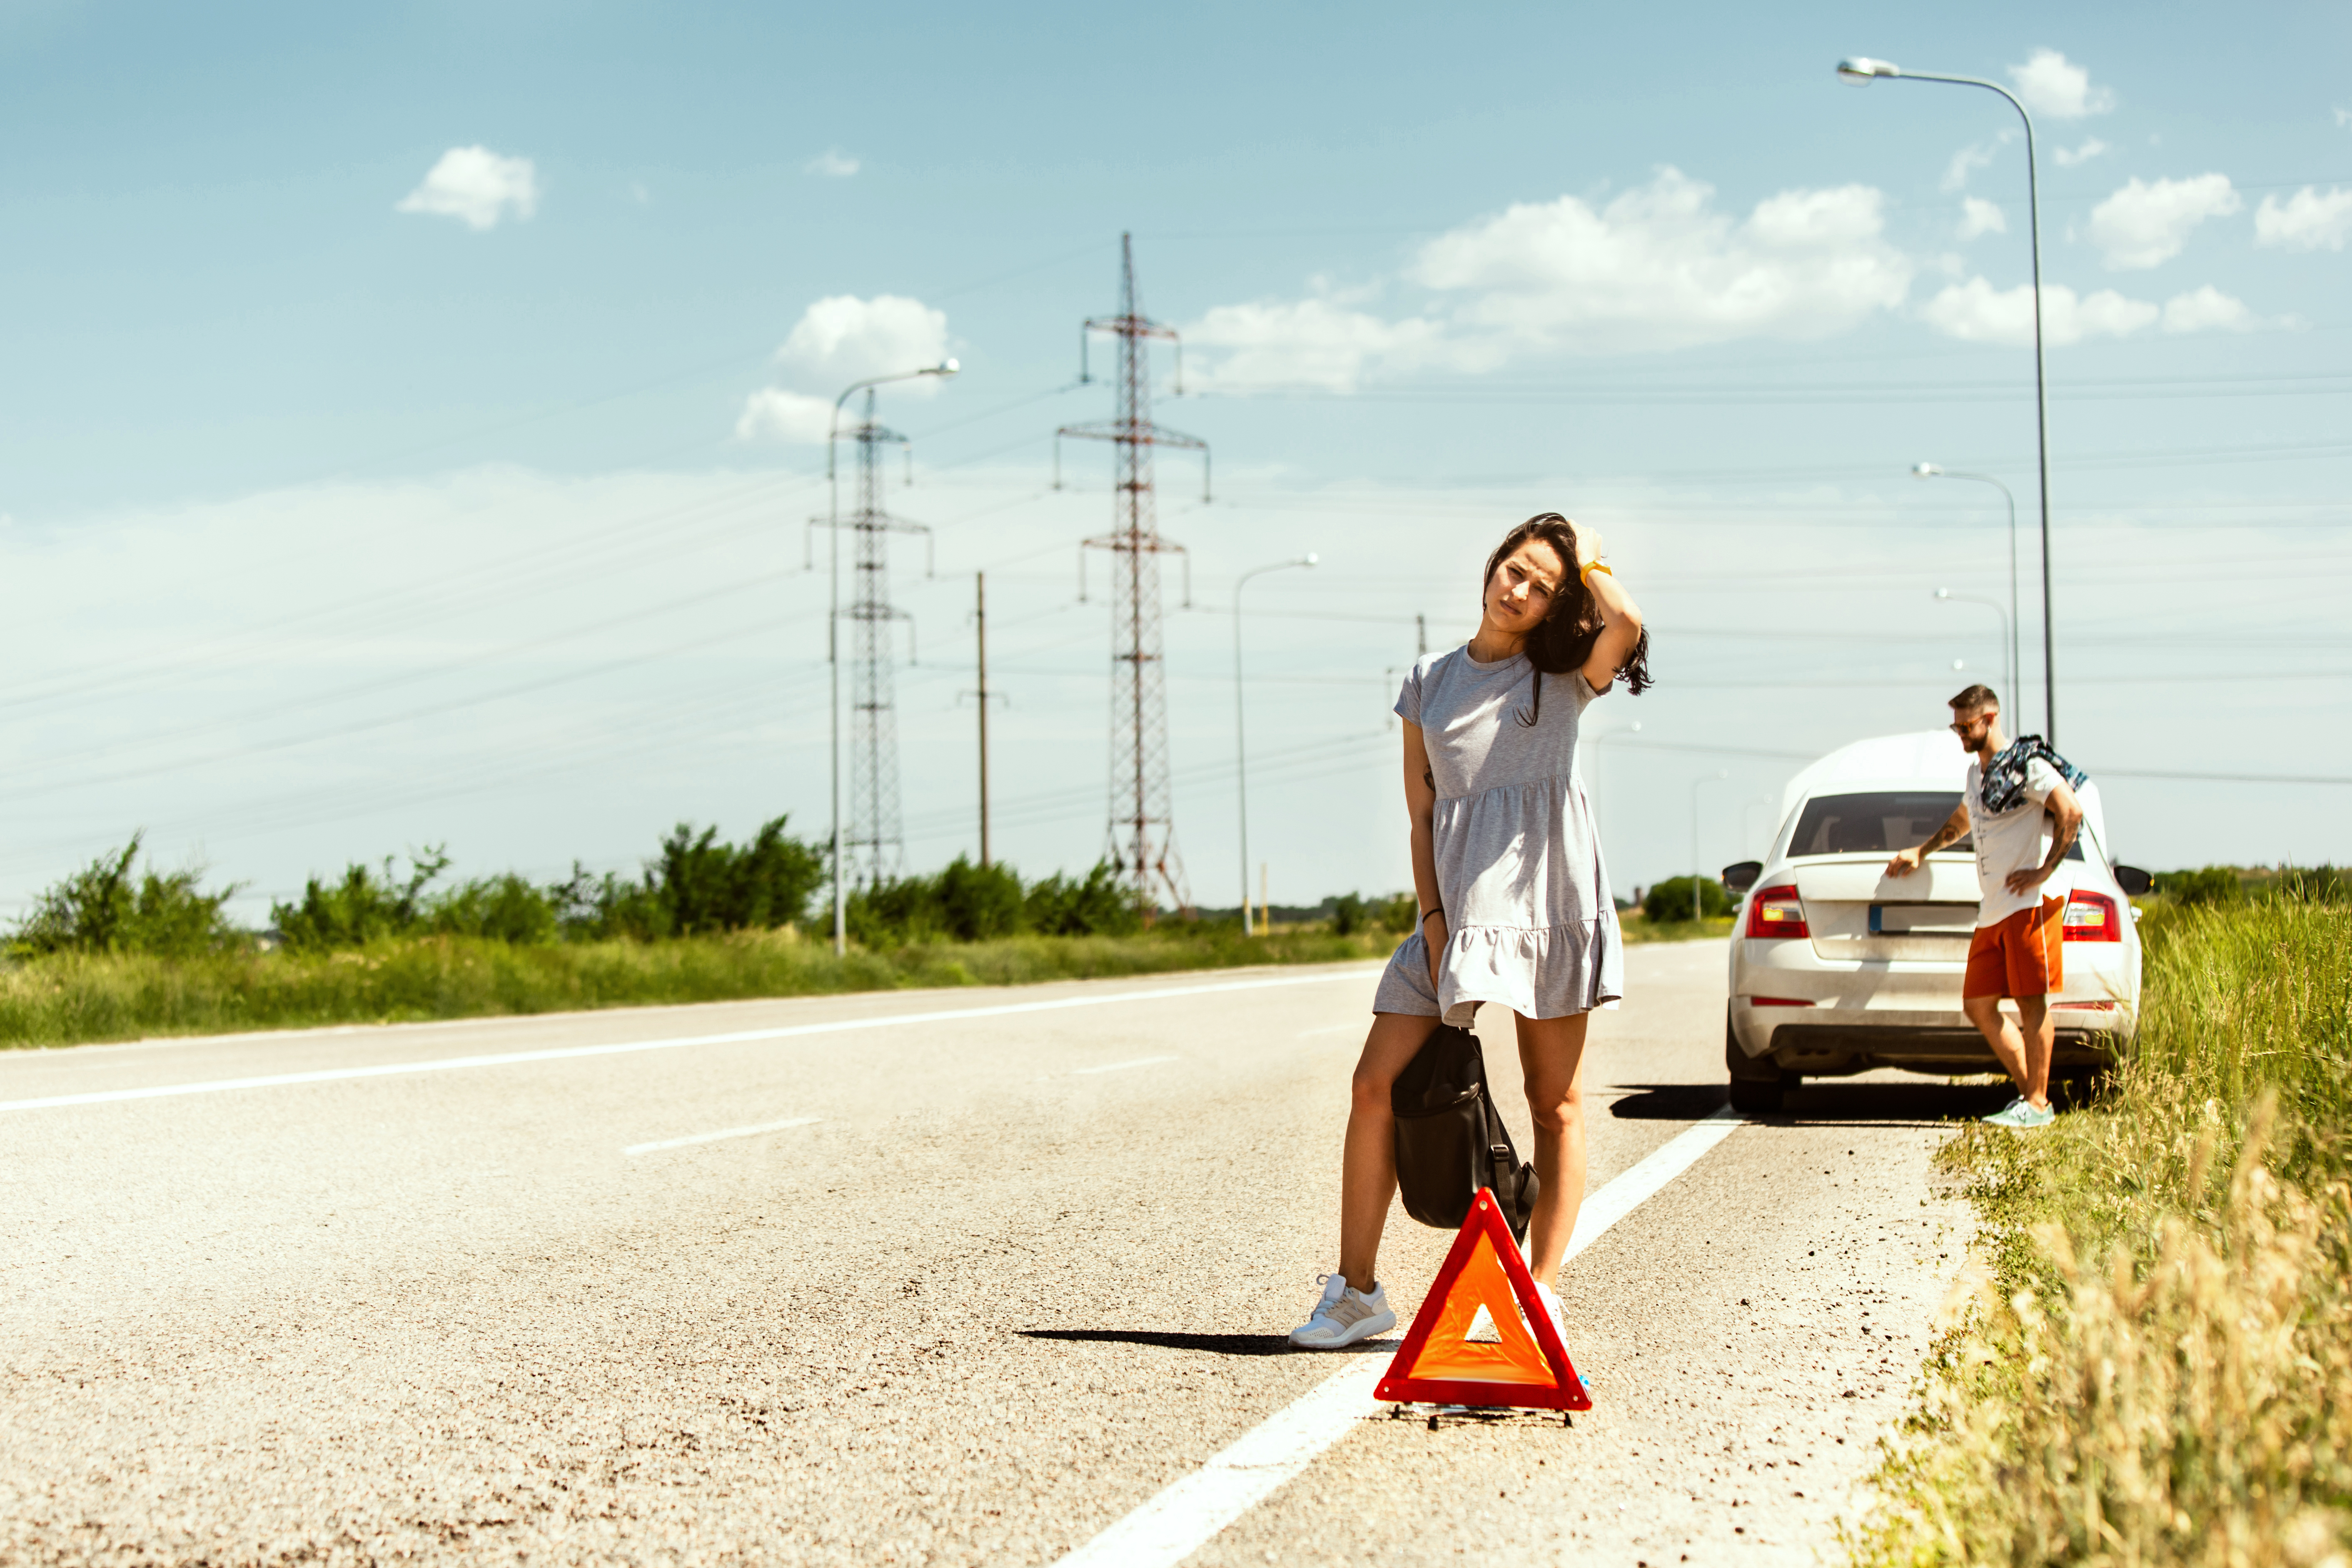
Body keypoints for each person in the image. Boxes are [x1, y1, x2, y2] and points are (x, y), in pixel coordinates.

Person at [1289, 514, 1649, 1349]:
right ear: (1492, 565)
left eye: (1540, 587)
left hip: (1545, 905)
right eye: (1513, 570)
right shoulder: (1429, 681)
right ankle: (1358, 1292)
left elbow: (1624, 625)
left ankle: (1541, 1292)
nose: (1516, 590)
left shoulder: (1559, 676)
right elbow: (1422, 813)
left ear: (1556, 606)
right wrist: (1435, 919)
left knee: (1554, 1103)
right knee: (1373, 1084)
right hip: (1456, 911)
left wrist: (1585, 557)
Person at [1884, 684, 2084, 1130]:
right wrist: (1922, 850)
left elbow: (2070, 812)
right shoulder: (1978, 774)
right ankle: (2033, 1098)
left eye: (1965, 725)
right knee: (1978, 1005)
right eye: (1955, 726)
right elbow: (1963, 820)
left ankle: (2035, 1103)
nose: (1959, 733)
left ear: (1990, 718)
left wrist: (2044, 872)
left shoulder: (2026, 766)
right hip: (1993, 908)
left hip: (2029, 904)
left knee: (2033, 1005)